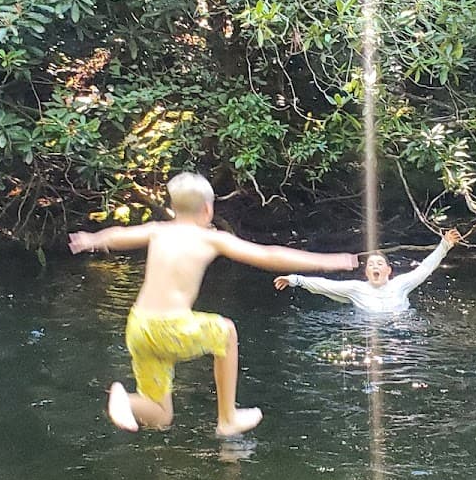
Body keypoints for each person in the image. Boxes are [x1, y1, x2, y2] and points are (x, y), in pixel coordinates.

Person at [68, 173, 358, 437]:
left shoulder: (158, 230)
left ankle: (125, 400)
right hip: (169, 328)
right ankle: (227, 417)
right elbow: (269, 256)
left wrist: (92, 238)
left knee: (160, 416)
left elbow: (118, 234)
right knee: (227, 332)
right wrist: (325, 261)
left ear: (173, 208)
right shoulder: (210, 238)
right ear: (207, 209)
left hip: (139, 327)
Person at [273, 228, 462, 314]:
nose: (375, 267)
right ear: (366, 273)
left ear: (389, 270)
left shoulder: (401, 284)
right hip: (367, 330)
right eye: (371, 265)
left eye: (379, 264)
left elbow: (425, 268)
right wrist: (295, 279)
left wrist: (444, 245)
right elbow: (325, 285)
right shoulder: (356, 288)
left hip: (401, 329)